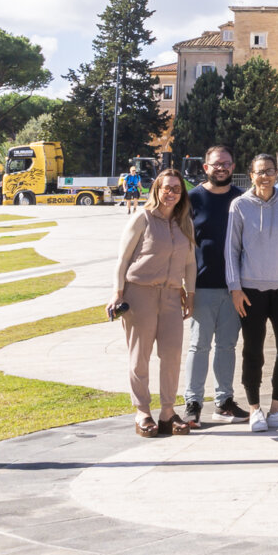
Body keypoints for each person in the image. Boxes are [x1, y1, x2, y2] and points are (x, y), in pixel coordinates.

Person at [109, 169, 196, 437]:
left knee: (171, 356)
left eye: (176, 189)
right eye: (166, 187)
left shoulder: (184, 223)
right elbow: (122, 260)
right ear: (156, 189)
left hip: (171, 296)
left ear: (182, 194)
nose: (171, 193)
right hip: (139, 294)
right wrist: (117, 293)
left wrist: (190, 294)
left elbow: (191, 263)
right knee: (140, 357)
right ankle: (143, 411)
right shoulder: (142, 218)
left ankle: (168, 412)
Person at [225, 154, 278, 432]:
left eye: (270, 171)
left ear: (277, 173)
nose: (266, 176)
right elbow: (231, 249)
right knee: (252, 349)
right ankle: (253, 407)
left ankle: (276, 406)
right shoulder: (239, 205)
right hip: (251, 289)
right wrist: (235, 288)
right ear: (251, 175)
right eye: (260, 172)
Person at [181, 146, 248, 426]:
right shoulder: (193, 198)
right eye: (216, 164)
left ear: (233, 167)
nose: (222, 168)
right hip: (202, 286)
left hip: (235, 287)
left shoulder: (242, 199)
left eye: (227, 164)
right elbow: (182, 244)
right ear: (205, 167)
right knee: (199, 346)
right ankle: (193, 401)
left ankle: (224, 401)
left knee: (227, 346)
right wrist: (186, 287)